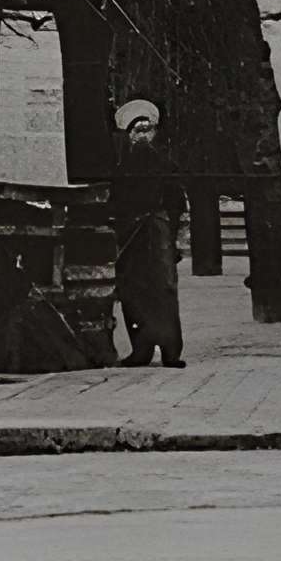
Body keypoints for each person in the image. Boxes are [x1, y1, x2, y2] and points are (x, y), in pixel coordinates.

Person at [107, 99, 187, 368]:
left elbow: (177, 202)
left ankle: (170, 350)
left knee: (164, 288)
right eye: (137, 130)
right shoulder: (121, 166)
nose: (142, 136)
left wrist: (176, 237)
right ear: (128, 134)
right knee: (133, 289)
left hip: (158, 229)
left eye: (147, 129)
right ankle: (141, 349)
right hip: (131, 232)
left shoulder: (166, 164)